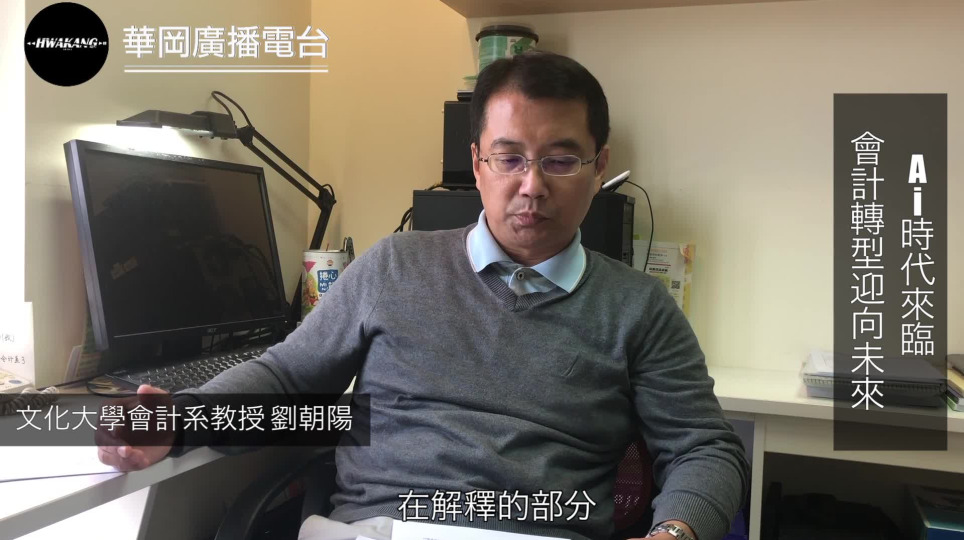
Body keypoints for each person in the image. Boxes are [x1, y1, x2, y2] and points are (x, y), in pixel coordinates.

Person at [97, 51, 749, 540]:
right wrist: (180, 419)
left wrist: (676, 532)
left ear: (599, 167)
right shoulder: (393, 266)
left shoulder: (639, 307)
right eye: (509, 158)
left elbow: (704, 448)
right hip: (379, 529)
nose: (531, 185)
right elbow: (288, 374)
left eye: (559, 159)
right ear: (477, 164)